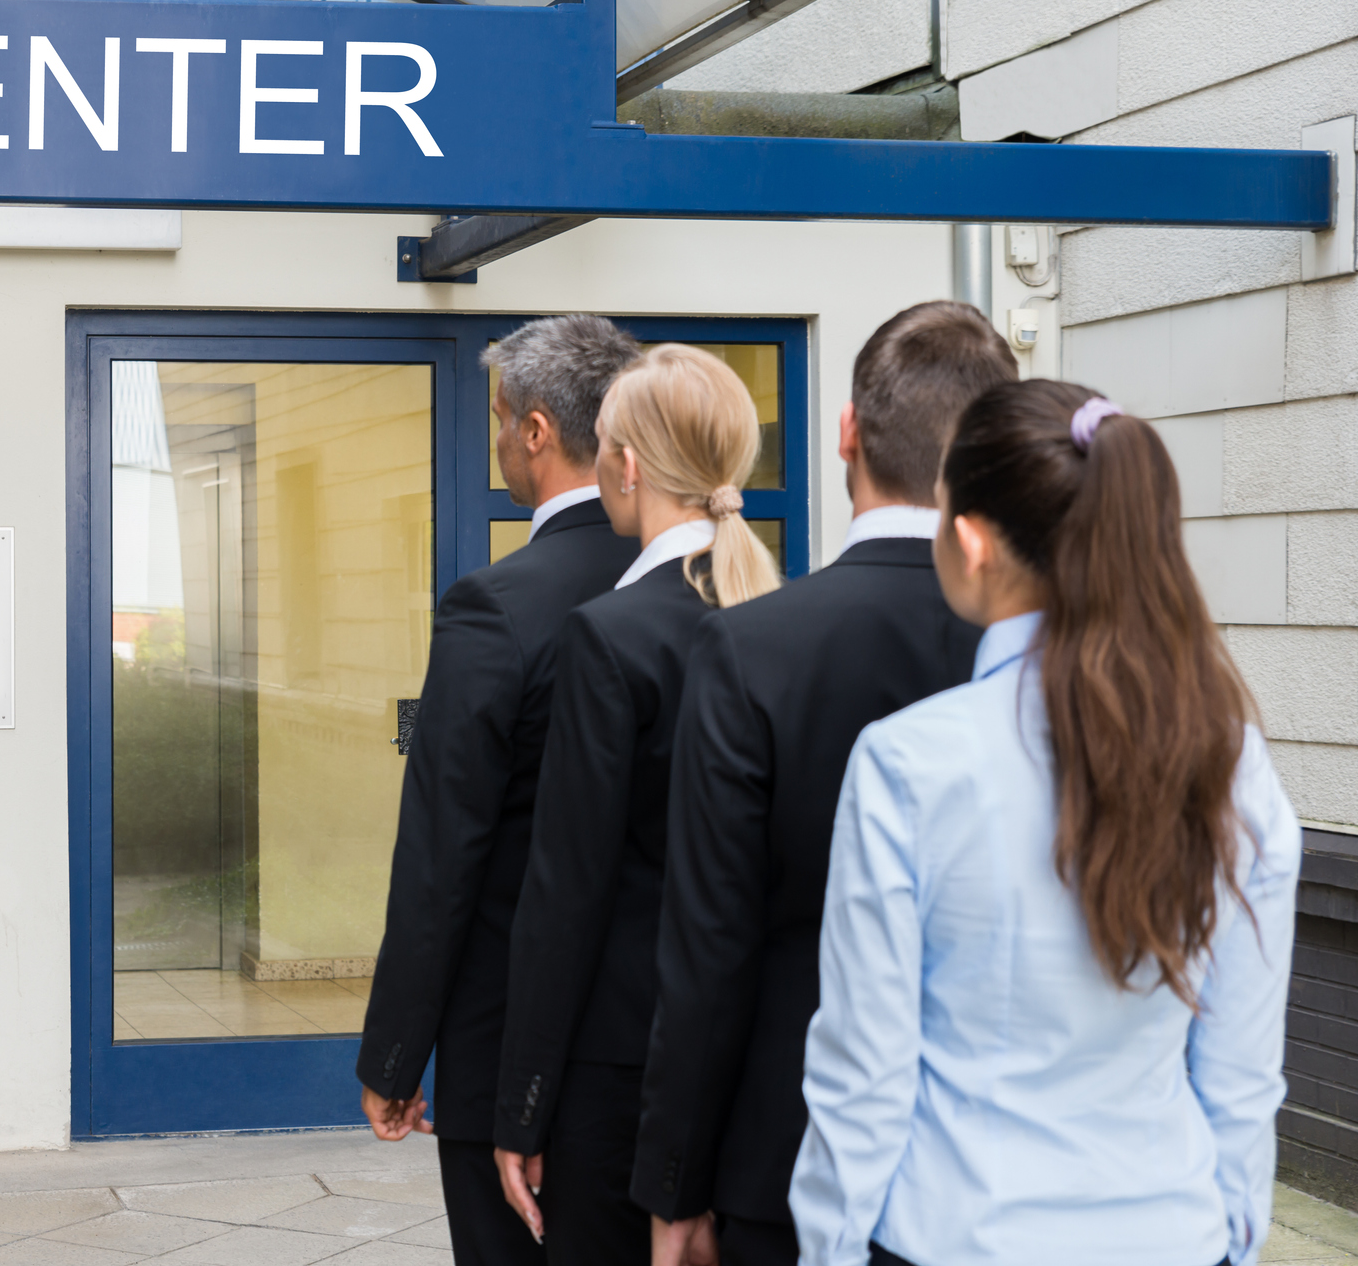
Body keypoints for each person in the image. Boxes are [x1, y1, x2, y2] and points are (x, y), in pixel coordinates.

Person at [791, 380, 1299, 1266]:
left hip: (960, 1235)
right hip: (1174, 1234)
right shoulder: (1230, 762)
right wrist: (1232, 1237)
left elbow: (862, 1080)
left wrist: (826, 1250)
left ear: (975, 541)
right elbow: (1243, 1076)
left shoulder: (906, 762)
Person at [634, 301, 1019, 1266]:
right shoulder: (1076, 653)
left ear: (846, 433)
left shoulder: (750, 647)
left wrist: (675, 1183)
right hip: (1021, 1168)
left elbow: (707, 944)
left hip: (790, 1150)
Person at [358, 313, 643, 1266]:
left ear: (535, 432)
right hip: (666, 1041)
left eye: (495, 419)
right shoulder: (711, 588)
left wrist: (396, 1057)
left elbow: (443, 850)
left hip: (510, 1039)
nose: (493, 440)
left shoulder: (496, 605)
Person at [491, 346, 782, 1260]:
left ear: (623, 465)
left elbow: (564, 893)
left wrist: (520, 1107)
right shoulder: (777, 618)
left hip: (620, 1076)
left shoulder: (609, 637)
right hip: (753, 1065)